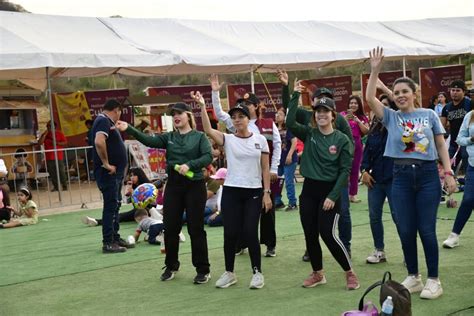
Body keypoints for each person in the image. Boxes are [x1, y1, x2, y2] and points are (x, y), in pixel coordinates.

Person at [366, 47, 456, 299]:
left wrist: (448, 172)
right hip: (401, 177)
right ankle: (414, 276)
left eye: (405, 91)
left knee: (426, 229)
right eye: (396, 93)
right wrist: (374, 71)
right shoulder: (391, 117)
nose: (400, 95)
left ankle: (434, 279)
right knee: (405, 229)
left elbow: (440, 145)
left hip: (428, 175)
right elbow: (371, 98)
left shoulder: (428, 115)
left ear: (414, 93)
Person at [116, 102, 213, 284]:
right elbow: (148, 140)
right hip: (174, 186)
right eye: (173, 114)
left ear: (188, 115)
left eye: (179, 113)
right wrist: (129, 128)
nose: (176, 116)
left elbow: (208, 156)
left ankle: (203, 269)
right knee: (170, 228)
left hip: (195, 185)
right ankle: (171, 266)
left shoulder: (199, 137)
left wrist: (190, 165)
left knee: (196, 229)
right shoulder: (168, 137)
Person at [194, 90, 271, 290]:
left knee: (250, 232)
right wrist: (203, 106)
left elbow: (265, 168)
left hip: (253, 191)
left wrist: (267, 193)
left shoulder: (260, 140)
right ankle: (229, 273)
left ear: (248, 118)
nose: (237, 120)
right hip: (231, 191)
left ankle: (257, 273)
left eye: (241, 116)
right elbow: (208, 129)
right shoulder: (228, 139)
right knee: (230, 234)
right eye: (234, 117)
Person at [287, 81, 359, 290]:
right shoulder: (309, 134)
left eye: (325, 112)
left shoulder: (342, 140)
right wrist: (293, 95)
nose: (321, 115)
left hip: (330, 192)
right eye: (318, 111)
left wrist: (333, 196)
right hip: (309, 190)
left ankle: (349, 272)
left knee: (328, 234)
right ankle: (318, 273)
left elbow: (345, 172)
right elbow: (290, 121)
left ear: (333, 115)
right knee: (310, 232)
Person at [277, 69, 354, 258]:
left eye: (327, 101)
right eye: (319, 99)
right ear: (313, 102)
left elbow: (350, 145)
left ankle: (345, 245)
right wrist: (286, 87)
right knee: (310, 218)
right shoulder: (308, 116)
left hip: (335, 177)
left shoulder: (340, 121)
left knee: (342, 212)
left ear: (333, 109)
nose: (322, 108)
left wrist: (342, 171)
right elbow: (289, 110)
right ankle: (311, 249)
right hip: (314, 179)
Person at [210, 74, 281, 258]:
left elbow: (278, 145)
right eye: (241, 105)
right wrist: (215, 93)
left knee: (267, 210)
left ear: (256, 106)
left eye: (248, 105)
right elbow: (219, 114)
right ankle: (241, 244)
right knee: (242, 213)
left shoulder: (268, 124)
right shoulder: (236, 124)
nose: (244, 109)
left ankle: (269, 244)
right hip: (243, 176)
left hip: (264, 173)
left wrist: (274, 168)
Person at [361, 94, 397, 264]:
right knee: (374, 216)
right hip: (375, 181)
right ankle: (379, 251)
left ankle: (407, 250)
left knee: (399, 216)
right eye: (379, 105)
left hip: (395, 180)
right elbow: (366, 153)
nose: (380, 108)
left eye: (385, 105)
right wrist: (364, 171)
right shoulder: (373, 130)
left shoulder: (397, 127)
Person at [92, 99, 130, 254]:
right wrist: (106, 163)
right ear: (116, 110)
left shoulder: (105, 121)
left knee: (115, 204)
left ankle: (114, 237)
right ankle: (108, 241)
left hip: (114, 173)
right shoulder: (103, 121)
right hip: (109, 173)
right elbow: (99, 142)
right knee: (110, 206)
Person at [81, 167, 160, 226]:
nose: (131, 177)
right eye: (130, 175)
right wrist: (129, 194)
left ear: (139, 175)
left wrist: (134, 194)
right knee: (121, 216)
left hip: (148, 210)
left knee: (121, 216)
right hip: (138, 210)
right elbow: (130, 202)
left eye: (134, 175)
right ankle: (97, 221)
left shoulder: (147, 186)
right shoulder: (133, 186)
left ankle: (98, 221)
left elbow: (147, 202)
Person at [442, 109, 474, 248]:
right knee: (468, 199)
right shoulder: (470, 115)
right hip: (473, 166)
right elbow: (459, 139)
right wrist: (471, 139)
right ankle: (454, 235)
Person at [341, 96, 369, 203]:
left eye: (355, 103)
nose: (353, 105)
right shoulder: (342, 115)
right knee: (344, 170)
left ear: (359, 105)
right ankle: (344, 194)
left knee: (355, 170)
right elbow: (335, 126)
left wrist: (357, 121)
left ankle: (353, 195)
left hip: (357, 145)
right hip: (344, 145)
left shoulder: (362, 117)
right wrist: (345, 120)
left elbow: (366, 131)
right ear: (348, 104)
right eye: (351, 103)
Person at [441, 80, 472, 174]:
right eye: (453, 90)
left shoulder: (470, 104)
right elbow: (441, 127)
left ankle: (468, 184)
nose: (454, 92)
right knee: (449, 166)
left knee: (467, 164)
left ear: (464, 92)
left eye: (458, 90)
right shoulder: (447, 107)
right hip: (454, 142)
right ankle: (449, 185)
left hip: (467, 141)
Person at [274, 107, 298, 211]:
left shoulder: (288, 128)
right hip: (278, 160)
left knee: (288, 181)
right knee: (276, 181)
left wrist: (289, 155)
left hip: (289, 159)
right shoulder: (274, 128)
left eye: (280, 114)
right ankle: (278, 202)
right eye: (276, 114)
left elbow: (294, 142)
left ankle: (292, 203)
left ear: (285, 117)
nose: (277, 115)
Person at [38, 120, 68, 191]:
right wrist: (44, 135)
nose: (49, 127)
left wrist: (57, 143)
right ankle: (56, 186)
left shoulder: (59, 134)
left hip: (58, 156)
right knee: (52, 173)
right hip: (49, 157)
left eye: (50, 126)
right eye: (48, 126)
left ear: (55, 127)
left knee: (61, 172)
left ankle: (64, 185)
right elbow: (40, 143)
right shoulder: (45, 135)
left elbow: (65, 142)